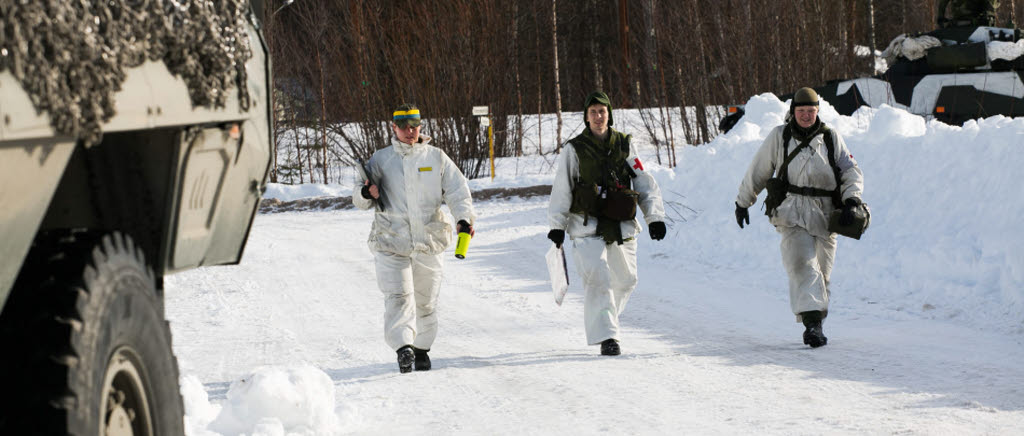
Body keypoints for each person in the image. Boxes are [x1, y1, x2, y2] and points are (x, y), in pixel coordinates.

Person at [734, 88, 864, 348]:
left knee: (822, 274)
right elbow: (758, 170)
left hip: (825, 212)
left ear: (817, 111)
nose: (806, 115)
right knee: (802, 264)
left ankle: (816, 319)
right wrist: (743, 201)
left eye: (811, 111)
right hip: (791, 210)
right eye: (801, 111)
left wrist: (852, 199)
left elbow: (850, 170)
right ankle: (812, 325)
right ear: (793, 111)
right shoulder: (779, 137)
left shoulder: (830, 137)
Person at [353, 103, 476, 373]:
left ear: (421, 126)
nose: (410, 131)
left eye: (415, 126)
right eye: (405, 127)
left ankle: (421, 349)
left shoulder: (436, 158)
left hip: (429, 241)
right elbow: (358, 196)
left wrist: (463, 219)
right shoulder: (381, 160)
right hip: (391, 240)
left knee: (426, 300)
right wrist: (365, 195)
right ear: (393, 127)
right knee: (398, 295)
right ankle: (403, 348)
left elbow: (457, 191)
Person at [547, 91, 667, 356]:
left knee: (626, 280)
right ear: (586, 117)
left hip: (620, 224)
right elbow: (562, 187)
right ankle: (608, 337)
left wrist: (654, 217)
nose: (598, 117)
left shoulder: (625, 144)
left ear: (609, 114)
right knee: (598, 278)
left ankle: (606, 317)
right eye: (593, 112)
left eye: (602, 111)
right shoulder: (574, 149)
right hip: (585, 225)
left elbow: (644, 181)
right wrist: (557, 224)